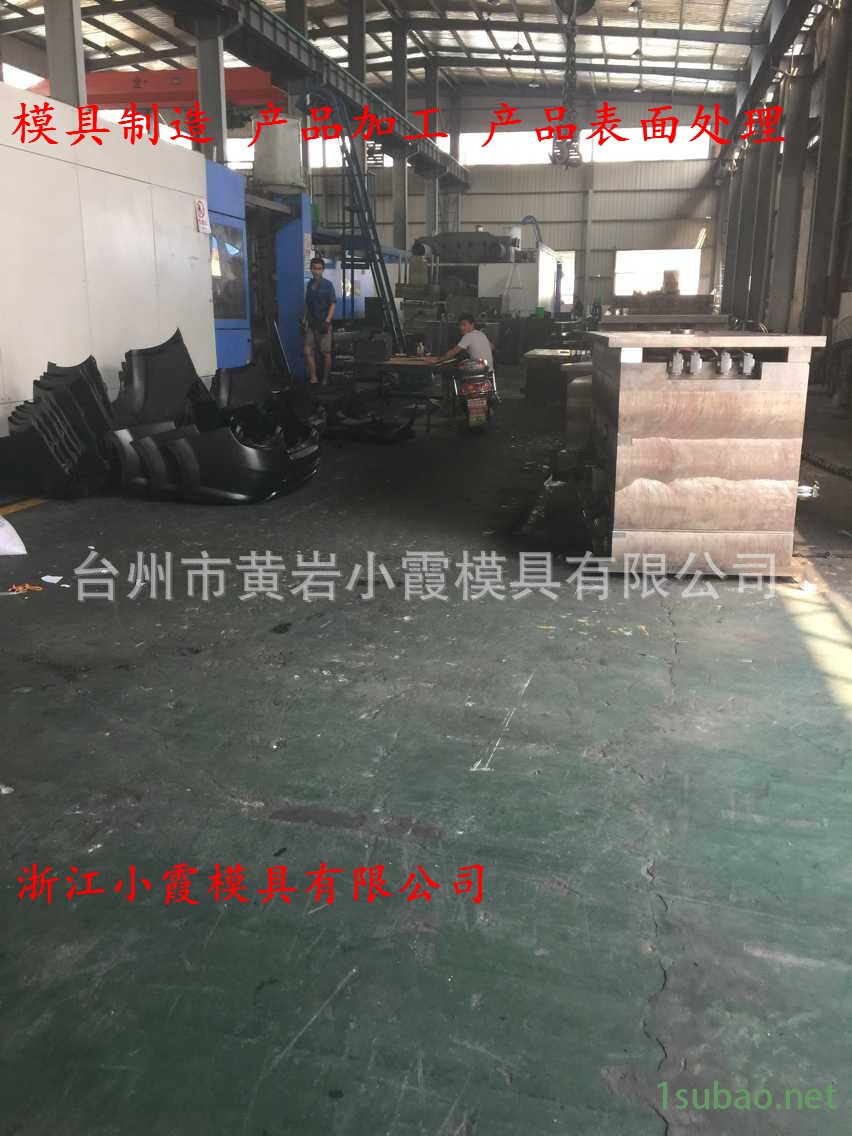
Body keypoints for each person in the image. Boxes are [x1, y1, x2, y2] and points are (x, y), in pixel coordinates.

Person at [303, 256, 336, 385]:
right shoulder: (310, 285)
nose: (317, 271)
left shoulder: (328, 285)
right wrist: (305, 320)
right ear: (311, 269)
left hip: (324, 324)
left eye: (319, 269)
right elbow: (307, 304)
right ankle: (314, 377)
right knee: (307, 350)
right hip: (312, 324)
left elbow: (333, 304)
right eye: (315, 268)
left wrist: (327, 321)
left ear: (323, 270)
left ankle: (325, 379)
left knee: (325, 353)